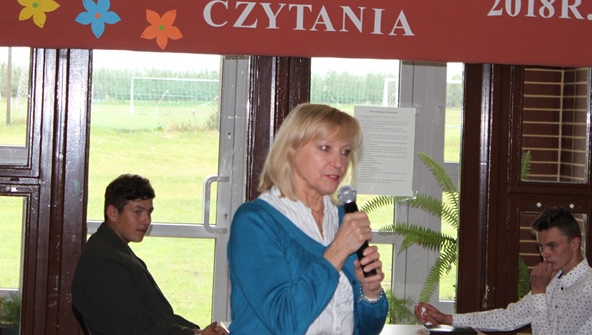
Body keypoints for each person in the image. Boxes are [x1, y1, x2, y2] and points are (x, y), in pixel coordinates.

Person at [227, 103, 388, 334]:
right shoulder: (255, 222)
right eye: (325, 148)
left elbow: (367, 330)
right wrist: (338, 251)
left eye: (345, 151)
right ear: (290, 150)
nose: (339, 163)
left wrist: (370, 292)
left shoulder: (342, 217)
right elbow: (285, 322)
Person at [415, 206, 592, 335]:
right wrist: (448, 319)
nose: (545, 254)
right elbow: (510, 317)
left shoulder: (587, 289)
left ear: (574, 243)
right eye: (541, 247)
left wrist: (539, 292)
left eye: (552, 246)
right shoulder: (557, 277)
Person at [72, 173, 227, 335]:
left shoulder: (114, 250)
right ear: (112, 213)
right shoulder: (103, 261)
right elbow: (135, 329)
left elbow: (159, 316)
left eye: (149, 212)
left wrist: (197, 331)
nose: (146, 220)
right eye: (138, 212)